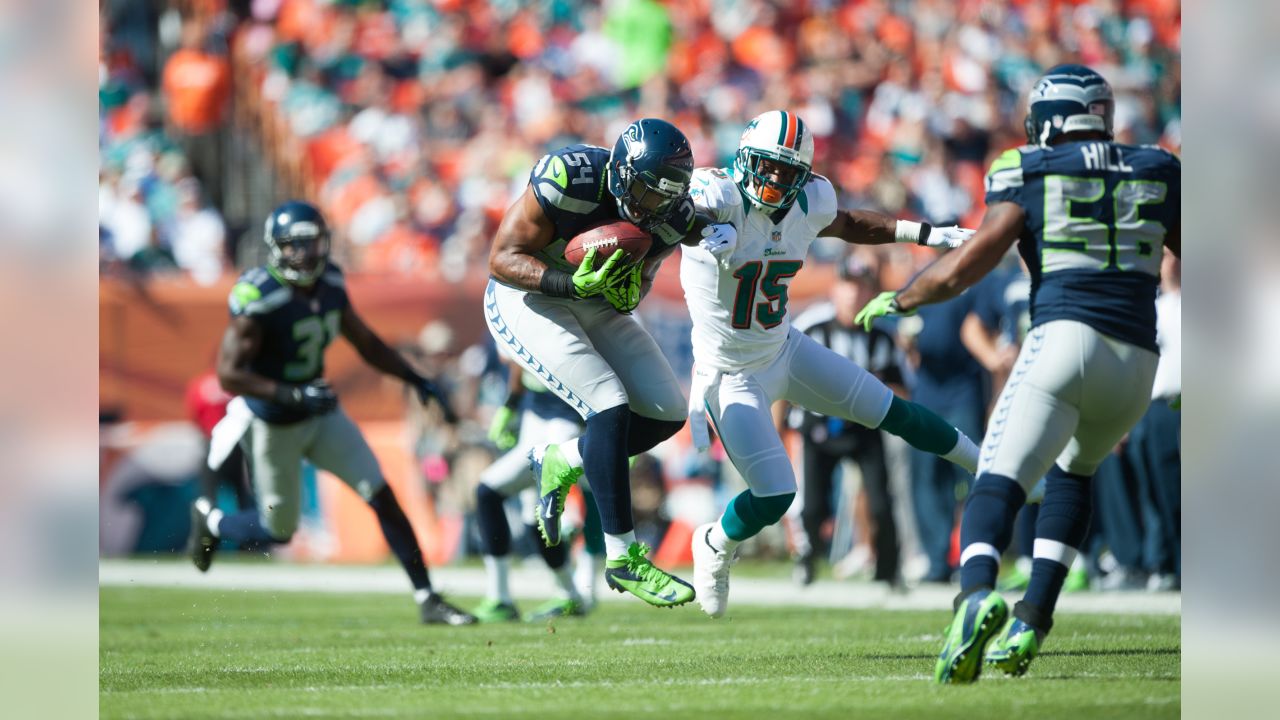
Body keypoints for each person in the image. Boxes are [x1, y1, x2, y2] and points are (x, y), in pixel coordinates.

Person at [855, 65, 1180, 682]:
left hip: (1063, 337)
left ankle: (974, 595)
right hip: (1139, 360)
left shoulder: (1028, 165)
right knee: (1074, 472)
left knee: (995, 479)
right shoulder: (1158, 165)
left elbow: (971, 261)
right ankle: (1034, 618)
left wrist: (906, 298)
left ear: (1047, 120)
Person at [681, 110, 981, 619]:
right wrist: (697, 228)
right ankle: (713, 541)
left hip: (784, 348)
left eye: (786, 171)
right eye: (767, 167)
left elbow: (850, 224)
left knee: (894, 412)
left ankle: (989, 468)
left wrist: (926, 234)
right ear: (744, 159)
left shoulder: (809, 200)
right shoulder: (717, 195)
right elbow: (668, 214)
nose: (775, 179)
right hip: (730, 373)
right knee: (776, 495)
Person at [186, 200, 476, 626]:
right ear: (276, 248)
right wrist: (292, 394)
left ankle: (427, 597)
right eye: (293, 246)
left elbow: (367, 344)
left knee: (381, 495)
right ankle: (212, 520)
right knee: (278, 530)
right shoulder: (260, 295)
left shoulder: (331, 284)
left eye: (312, 243)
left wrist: (417, 379)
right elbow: (230, 375)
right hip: (275, 422)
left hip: (320, 414)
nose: (304, 254)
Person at [485, 118, 700, 607]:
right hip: (529, 296)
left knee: (666, 410)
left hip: (592, 297)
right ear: (622, 173)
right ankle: (623, 558)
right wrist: (566, 285)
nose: (654, 209)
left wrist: (633, 288)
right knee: (609, 401)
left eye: (666, 198)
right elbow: (501, 257)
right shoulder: (571, 177)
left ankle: (564, 457)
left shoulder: (671, 216)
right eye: (646, 194)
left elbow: (636, 285)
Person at [782, 254, 906, 588]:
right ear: (835, 289)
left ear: (870, 293)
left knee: (881, 503)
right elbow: (782, 377)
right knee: (812, 506)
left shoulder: (881, 336)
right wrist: (777, 426)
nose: (853, 295)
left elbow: (902, 389)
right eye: (847, 286)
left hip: (864, 430)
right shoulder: (811, 327)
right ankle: (806, 561)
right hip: (817, 427)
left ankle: (888, 571)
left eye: (861, 288)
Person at [471, 362, 606, 622]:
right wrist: (511, 405)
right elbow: (516, 360)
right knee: (534, 515)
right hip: (536, 413)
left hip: (567, 420)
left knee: (489, 492)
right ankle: (568, 593)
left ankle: (501, 597)